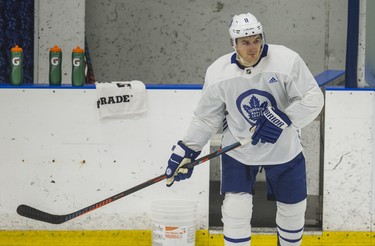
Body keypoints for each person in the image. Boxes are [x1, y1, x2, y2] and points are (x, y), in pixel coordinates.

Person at [165, 12, 324, 246]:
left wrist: (283, 118)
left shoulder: (286, 61)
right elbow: (206, 119)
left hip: (283, 148)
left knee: (293, 212)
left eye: (257, 40)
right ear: (234, 44)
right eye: (245, 42)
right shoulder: (218, 73)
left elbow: (313, 98)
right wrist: (187, 150)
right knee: (235, 211)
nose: (253, 48)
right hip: (238, 149)